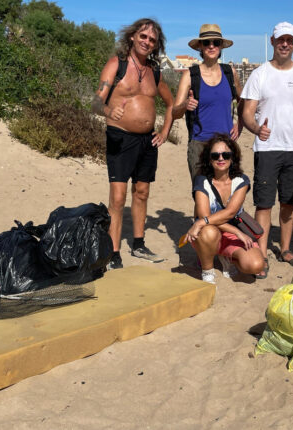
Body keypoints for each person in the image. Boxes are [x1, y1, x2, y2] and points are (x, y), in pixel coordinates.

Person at [92, 18, 174, 269]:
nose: (147, 42)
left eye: (152, 39)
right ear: (132, 37)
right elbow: (95, 101)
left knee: (142, 192)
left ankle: (138, 244)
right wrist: (108, 111)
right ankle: (113, 253)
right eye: (143, 36)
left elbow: (171, 104)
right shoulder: (117, 64)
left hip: (147, 142)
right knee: (117, 198)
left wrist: (164, 131)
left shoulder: (154, 71)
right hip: (120, 138)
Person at [240, 22, 293, 277]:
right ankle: (262, 253)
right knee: (264, 204)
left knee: (289, 202)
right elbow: (247, 113)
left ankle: (285, 249)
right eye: (280, 40)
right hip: (267, 148)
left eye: (290, 40)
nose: (285, 44)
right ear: (273, 42)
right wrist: (255, 129)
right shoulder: (260, 74)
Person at [184, 134, 265, 283]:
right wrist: (236, 232)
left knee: (256, 265)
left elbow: (230, 213)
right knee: (208, 231)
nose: (221, 159)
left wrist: (200, 223)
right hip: (209, 233)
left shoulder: (241, 181)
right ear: (209, 159)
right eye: (215, 155)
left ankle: (227, 256)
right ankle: (207, 270)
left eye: (226, 155)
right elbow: (204, 216)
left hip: (230, 232)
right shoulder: (202, 181)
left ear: (232, 158)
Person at [172, 24, 243, 185]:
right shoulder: (190, 75)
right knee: (202, 197)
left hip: (226, 145)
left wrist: (240, 124)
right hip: (200, 145)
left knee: (225, 195)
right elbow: (175, 112)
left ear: (221, 46)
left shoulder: (230, 73)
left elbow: (244, 101)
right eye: (207, 42)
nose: (211, 46)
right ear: (200, 47)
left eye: (216, 42)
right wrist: (185, 105)